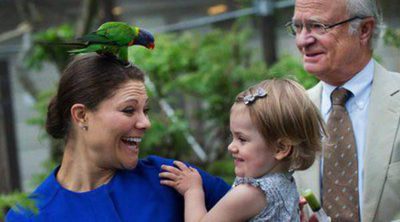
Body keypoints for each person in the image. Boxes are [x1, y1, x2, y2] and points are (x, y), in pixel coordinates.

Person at [6, 54, 230, 221]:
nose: (145, 123)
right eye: (129, 110)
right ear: (82, 115)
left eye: (146, 111)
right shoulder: (29, 216)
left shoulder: (174, 179)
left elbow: (260, 207)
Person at [286, 0, 400, 221]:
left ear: (364, 30)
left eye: (318, 26)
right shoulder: (291, 114)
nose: (303, 40)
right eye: (298, 27)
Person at [159, 79, 326, 221]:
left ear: (281, 148)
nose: (231, 146)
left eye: (242, 139)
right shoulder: (286, 181)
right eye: (233, 137)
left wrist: (192, 190)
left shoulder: (251, 193)